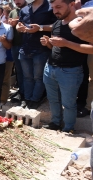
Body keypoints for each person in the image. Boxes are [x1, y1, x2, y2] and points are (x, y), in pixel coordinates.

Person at [41, 0, 93, 132]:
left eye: (58, 7)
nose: (55, 11)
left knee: (68, 104)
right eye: (53, 8)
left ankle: (69, 129)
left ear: (71, 4)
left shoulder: (81, 24)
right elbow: (55, 46)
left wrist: (66, 43)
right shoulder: (57, 23)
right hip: (50, 67)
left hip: (71, 71)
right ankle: (55, 123)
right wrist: (48, 43)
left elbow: (91, 49)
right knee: (53, 100)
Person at [16, 0, 57, 109]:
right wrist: (18, 28)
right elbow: (19, 24)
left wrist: (40, 27)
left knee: (38, 77)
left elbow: (57, 25)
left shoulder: (50, 6)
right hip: (25, 48)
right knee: (27, 77)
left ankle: (36, 99)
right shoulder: (24, 9)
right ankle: (27, 98)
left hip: (41, 49)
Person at [8, 0, 27, 106]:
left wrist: (19, 21)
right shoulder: (13, 12)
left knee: (28, 73)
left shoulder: (30, 9)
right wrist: (11, 23)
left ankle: (28, 95)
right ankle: (22, 92)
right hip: (15, 45)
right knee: (19, 71)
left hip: (27, 45)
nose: (17, 1)